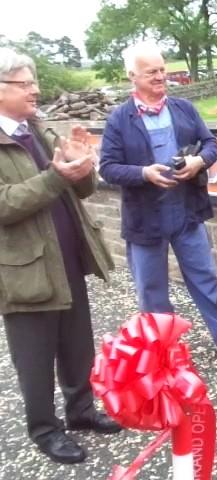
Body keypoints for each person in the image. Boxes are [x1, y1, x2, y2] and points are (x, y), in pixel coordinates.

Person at [0, 48, 121, 464]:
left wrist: (82, 167)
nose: (35, 90)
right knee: (34, 357)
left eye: (33, 81)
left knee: (76, 345)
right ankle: (45, 431)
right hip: (25, 271)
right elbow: (5, 204)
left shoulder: (37, 129)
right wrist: (56, 176)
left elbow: (81, 190)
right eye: (24, 83)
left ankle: (81, 412)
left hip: (67, 257)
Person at [99, 41, 217, 360]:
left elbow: (210, 143)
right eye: (151, 71)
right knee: (152, 289)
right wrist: (144, 173)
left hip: (186, 212)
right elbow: (108, 168)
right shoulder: (119, 119)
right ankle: (162, 349)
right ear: (132, 76)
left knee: (205, 278)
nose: (160, 76)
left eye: (162, 69)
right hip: (145, 218)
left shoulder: (183, 108)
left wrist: (199, 162)